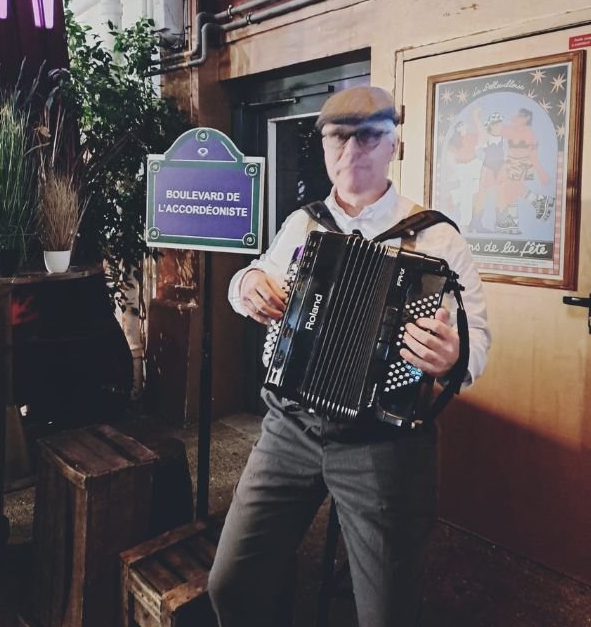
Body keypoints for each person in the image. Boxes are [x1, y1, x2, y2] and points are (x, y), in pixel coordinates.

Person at [208, 86, 491, 627]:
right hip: (291, 428)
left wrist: (454, 355)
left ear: (393, 146)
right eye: (339, 137)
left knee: (387, 614)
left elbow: (477, 340)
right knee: (232, 585)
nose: (351, 150)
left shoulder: (437, 238)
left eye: (368, 137)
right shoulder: (304, 223)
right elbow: (254, 276)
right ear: (323, 147)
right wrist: (245, 285)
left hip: (382, 443)